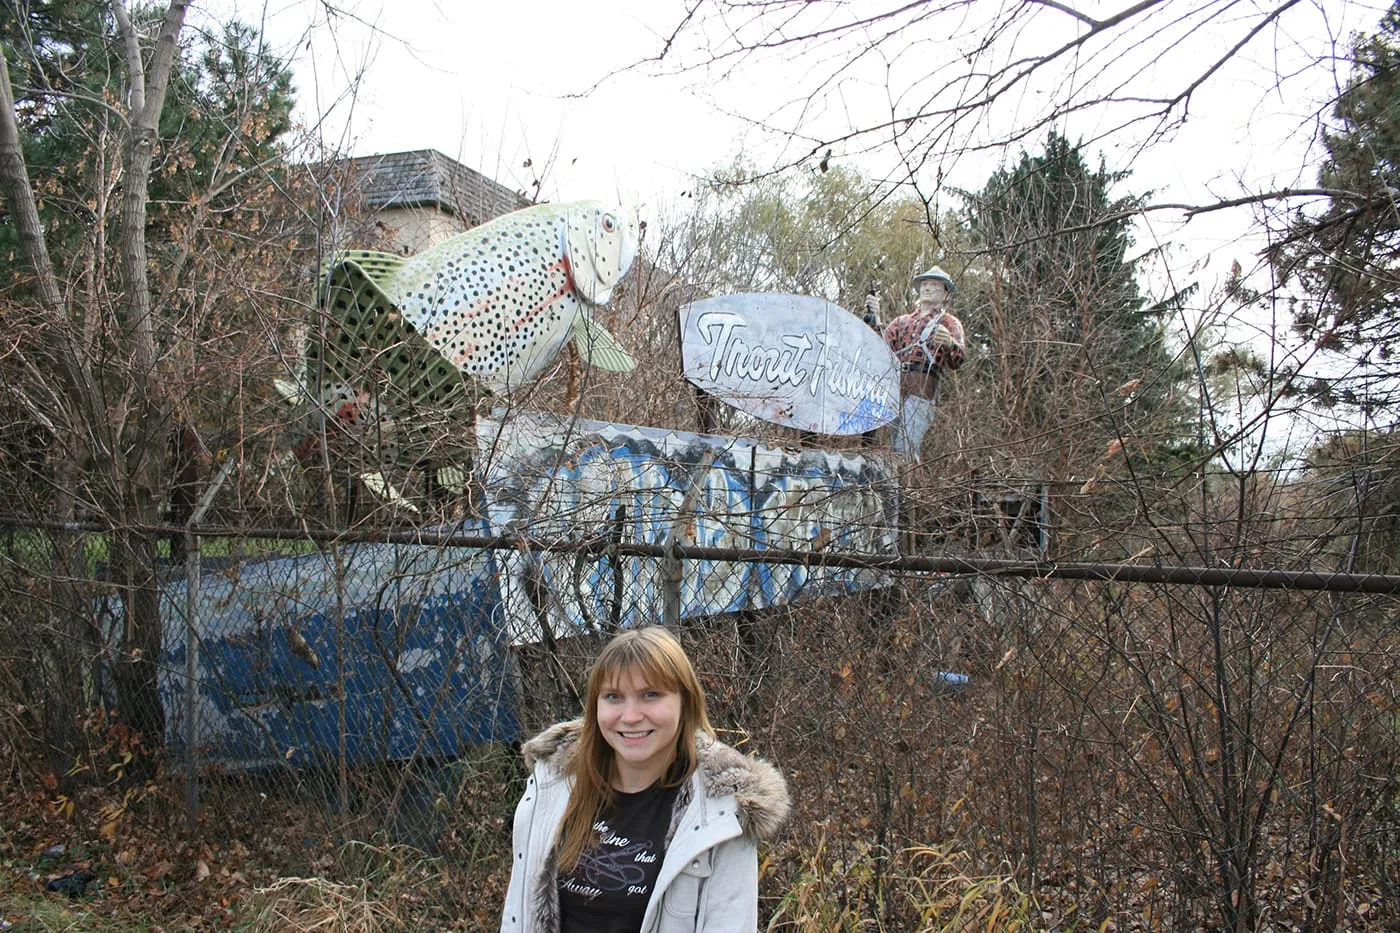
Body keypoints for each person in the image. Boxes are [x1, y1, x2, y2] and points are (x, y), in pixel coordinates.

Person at [500, 627, 791, 933]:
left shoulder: (721, 811)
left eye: (650, 695)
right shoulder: (554, 783)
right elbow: (519, 912)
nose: (630, 716)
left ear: (685, 702)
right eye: (613, 697)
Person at [881, 266, 967, 460]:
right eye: (925, 284)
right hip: (894, 389)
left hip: (922, 389)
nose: (928, 288)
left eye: (935, 286)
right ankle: (898, 486)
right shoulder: (901, 322)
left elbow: (958, 359)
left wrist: (949, 343)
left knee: (907, 447)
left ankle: (909, 488)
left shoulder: (949, 323)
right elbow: (879, 347)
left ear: (945, 294)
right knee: (894, 447)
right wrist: (874, 317)